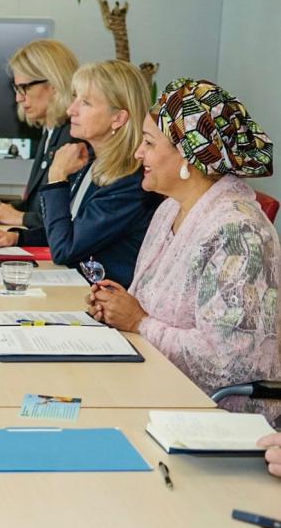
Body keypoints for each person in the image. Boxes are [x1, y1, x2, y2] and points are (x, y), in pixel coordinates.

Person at [88, 78, 280, 410]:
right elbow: (146, 305)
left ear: (188, 156)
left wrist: (137, 322)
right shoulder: (169, 209)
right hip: (153, 385)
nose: (137, 153)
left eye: (148, 143)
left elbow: (229, 361)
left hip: (210, 414)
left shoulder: (238, 234)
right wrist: (114, 307)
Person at [0, 60, 161, 288]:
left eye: (85, 103)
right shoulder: (93, 160)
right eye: (74, 98)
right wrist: (18, 238)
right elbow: (72, 226)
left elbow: (65, 248)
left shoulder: (129, 181)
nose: (70, 109)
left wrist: (57, 178)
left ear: (118, 118)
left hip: (103, 303)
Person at [0, 39, 79, 226]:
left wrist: (19, 217)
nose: (18, 98)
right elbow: (40, 206)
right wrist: (6, 207)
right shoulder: (52, 129)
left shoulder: (74, 138)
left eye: (25, 87)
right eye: (16, 88)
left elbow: (68, 217)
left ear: (54, 84)